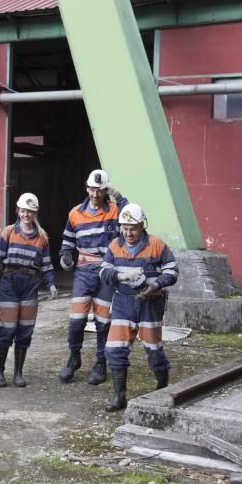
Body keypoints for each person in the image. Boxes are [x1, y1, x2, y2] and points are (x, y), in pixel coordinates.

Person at [99, 203, 179, 412]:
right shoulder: (114, 246)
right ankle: (119, 397)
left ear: (142, 225)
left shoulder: (157, 245)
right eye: (124, 228)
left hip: (150, 303)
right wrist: (120, 275)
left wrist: (157, 283)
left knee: (153, 349)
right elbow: (103, 272)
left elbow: (172, 271)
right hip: (123, 301)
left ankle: (162, 388)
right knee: (114, 349)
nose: (128, 233)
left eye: (132, 228)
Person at [58, 169, 127, 385]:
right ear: (86, 188)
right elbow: (67, 241)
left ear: (105, 190)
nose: (95, 194)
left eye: (99, 190)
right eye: (92, 189)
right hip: (83, 272)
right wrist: (66, 256)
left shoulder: (115, 211)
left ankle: (100, 363)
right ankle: (74, 357)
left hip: (106, 272)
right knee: (76, 320)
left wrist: (120, 197)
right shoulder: (75, 213)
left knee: (103, 321)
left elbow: (131, 217)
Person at [0, 193, 57, 388]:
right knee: (7, 329)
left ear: (35, 213)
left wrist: (51, 284)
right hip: (9, 283)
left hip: (30, 285)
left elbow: (46, 264)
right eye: (23, 211)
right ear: (18, 211)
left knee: (25, 330)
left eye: (30, 211)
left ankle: (18, 372)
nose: (26, 214)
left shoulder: (42, 238)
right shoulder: (8, 232)